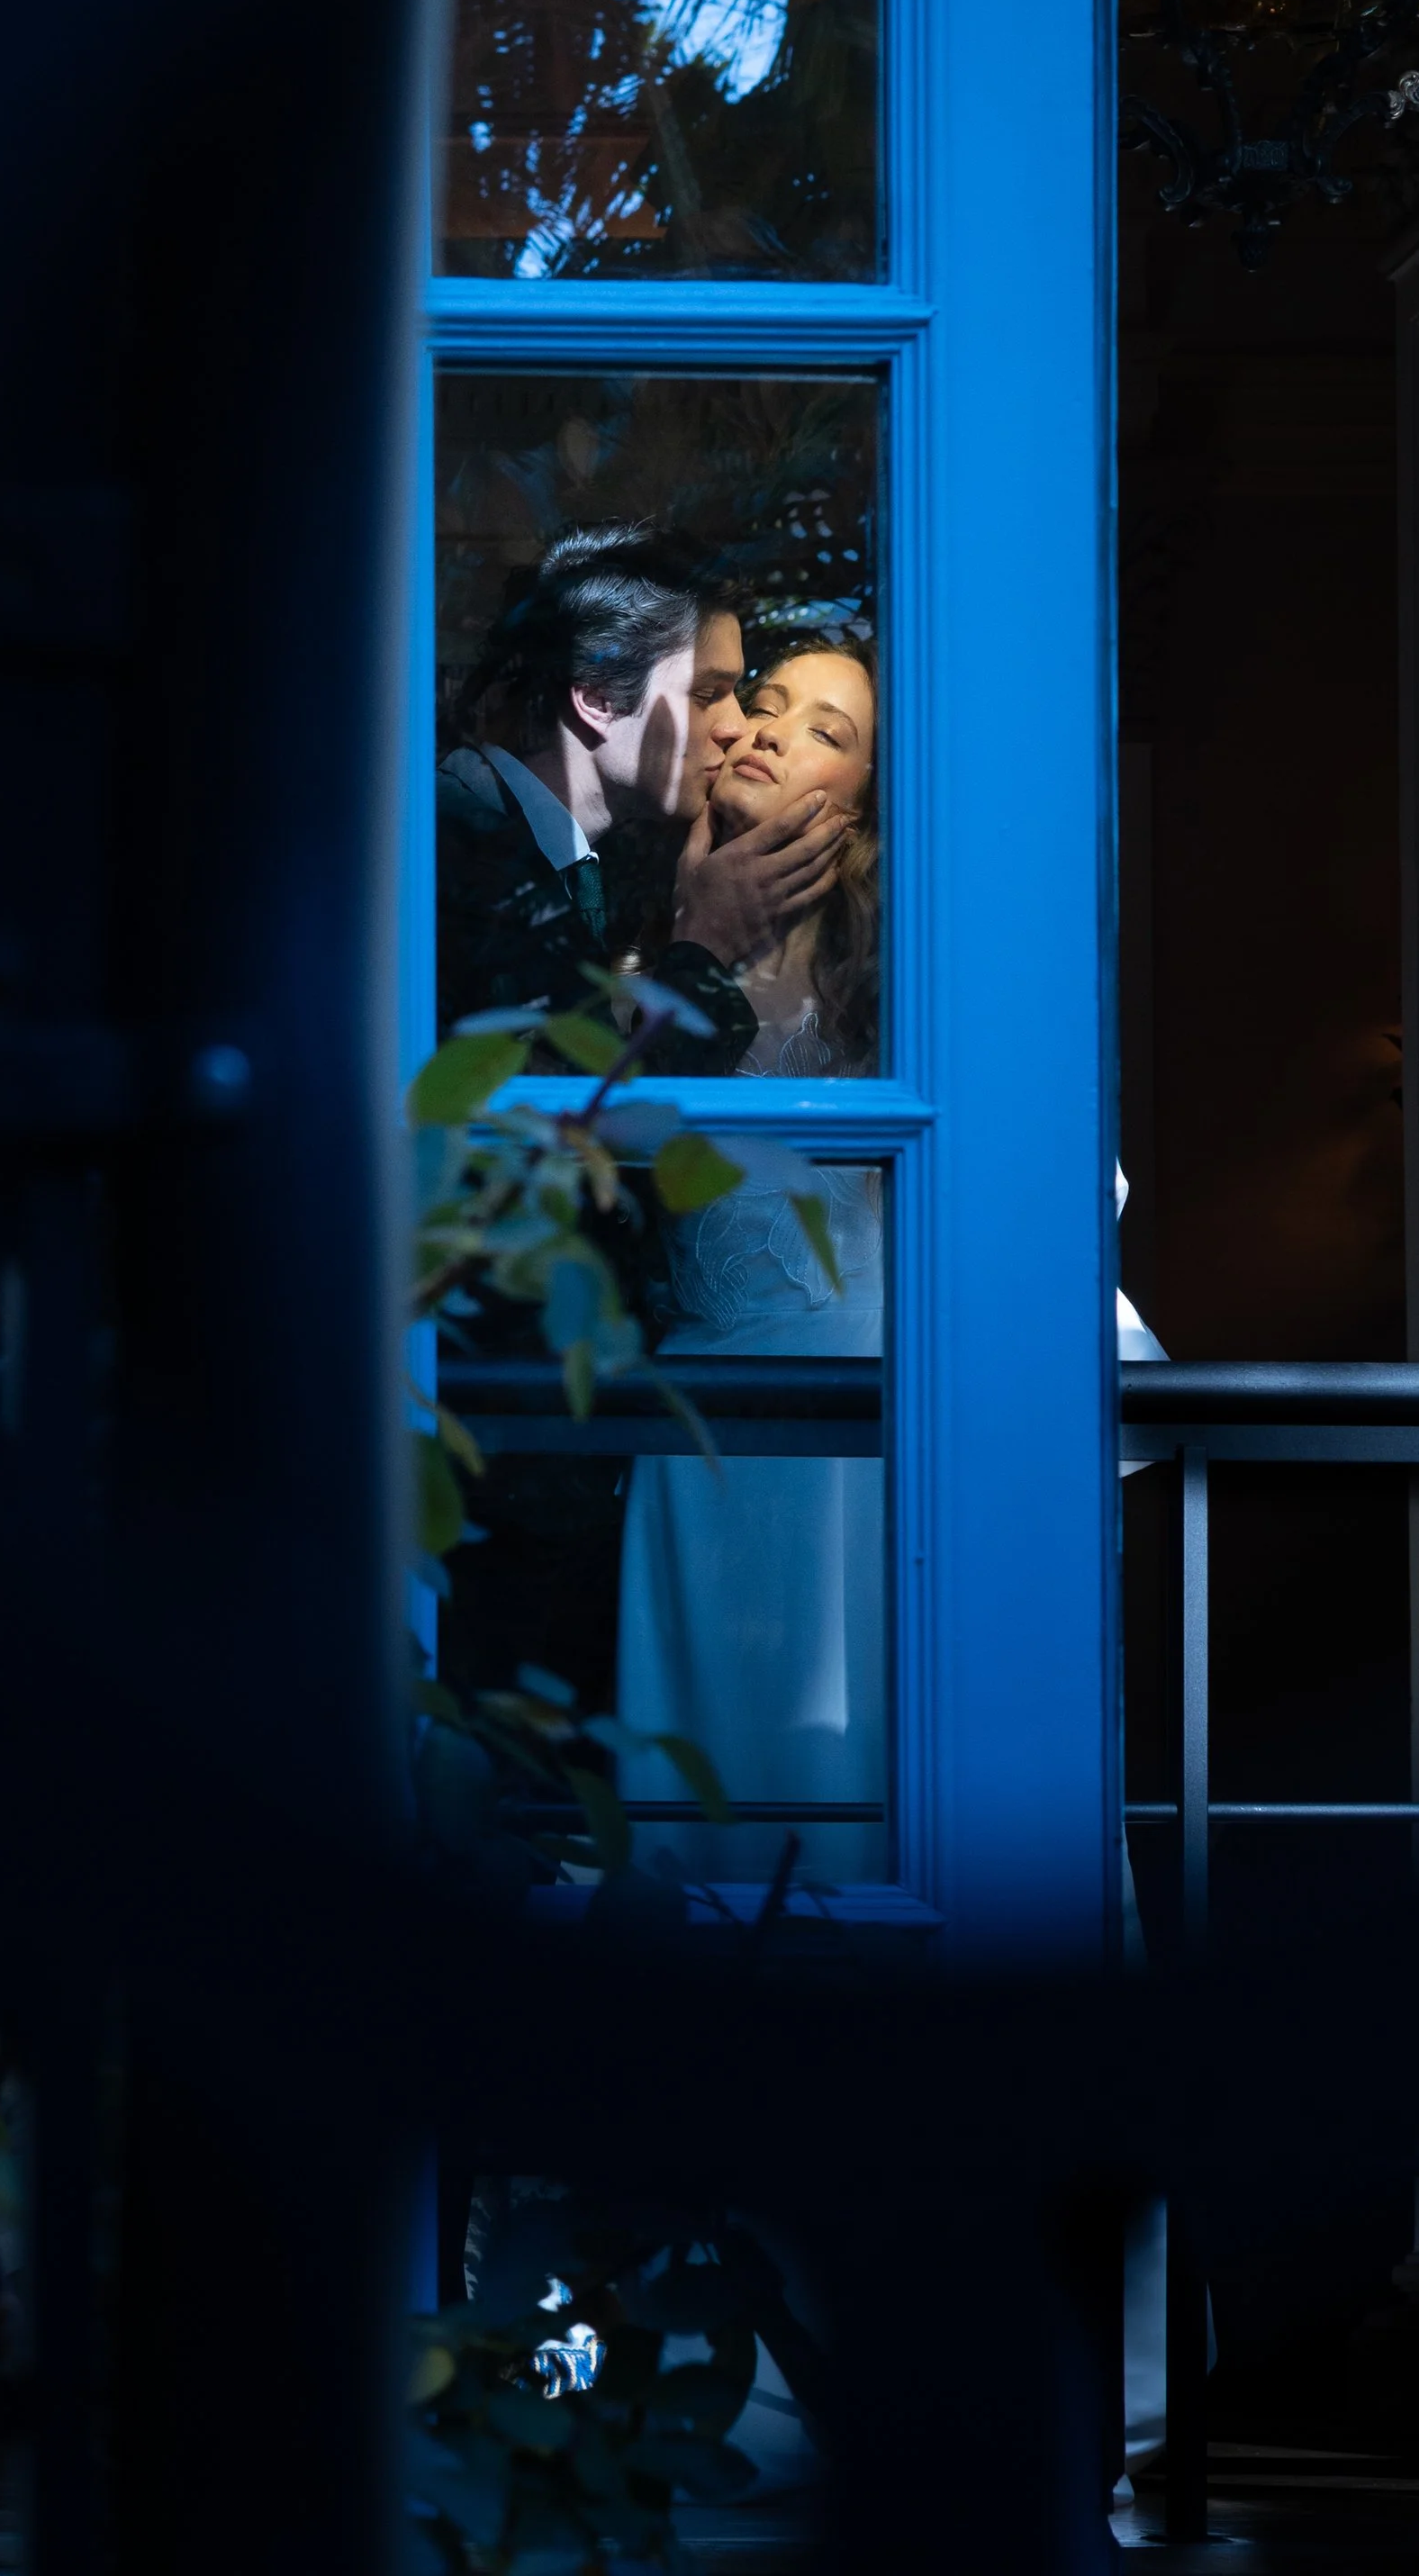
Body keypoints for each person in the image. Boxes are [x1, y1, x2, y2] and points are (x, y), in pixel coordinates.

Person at [614, 638, 884, 1882]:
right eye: (765, 703)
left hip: (864, 1463)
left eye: (826, 730)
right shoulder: (630, 972)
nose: (769, 728)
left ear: (861, 808)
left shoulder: (895, 985)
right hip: (701, 1450)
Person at [435, 528, 847, 1069]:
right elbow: (590, 1115)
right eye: (706, 694)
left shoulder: (560, 864)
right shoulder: (463, 863)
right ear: (597, 699)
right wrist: (705, 945)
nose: (739, 726)